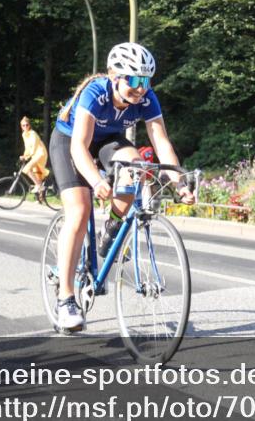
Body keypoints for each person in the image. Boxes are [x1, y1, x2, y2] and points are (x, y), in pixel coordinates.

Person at [49, 42, 195, 331]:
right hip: (70, 140)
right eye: (135, 80)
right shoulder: (95, 94)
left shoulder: (146, 98)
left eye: (146, 81)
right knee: (79, 211)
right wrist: (96, 180)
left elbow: (161, 143)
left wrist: (179, 182)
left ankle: (112, 229)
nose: (141, 88)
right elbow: (79, 147)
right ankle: (66, 299)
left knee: (136, 166)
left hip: (108, 139)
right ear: (115, 77)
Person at [19, 116, 49, 196]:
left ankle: (39, 186)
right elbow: (27, 147)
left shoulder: (33, 134)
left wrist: (27, 157)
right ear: (21, 126)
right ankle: (40, 197)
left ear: (29, 125)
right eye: (23, 125)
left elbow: (34, 146)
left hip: (40, 154)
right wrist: (24, 155)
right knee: (37, 175)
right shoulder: (24, 134)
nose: (25, 127)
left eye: (27, 125)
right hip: (35, 155)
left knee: (27, 169)